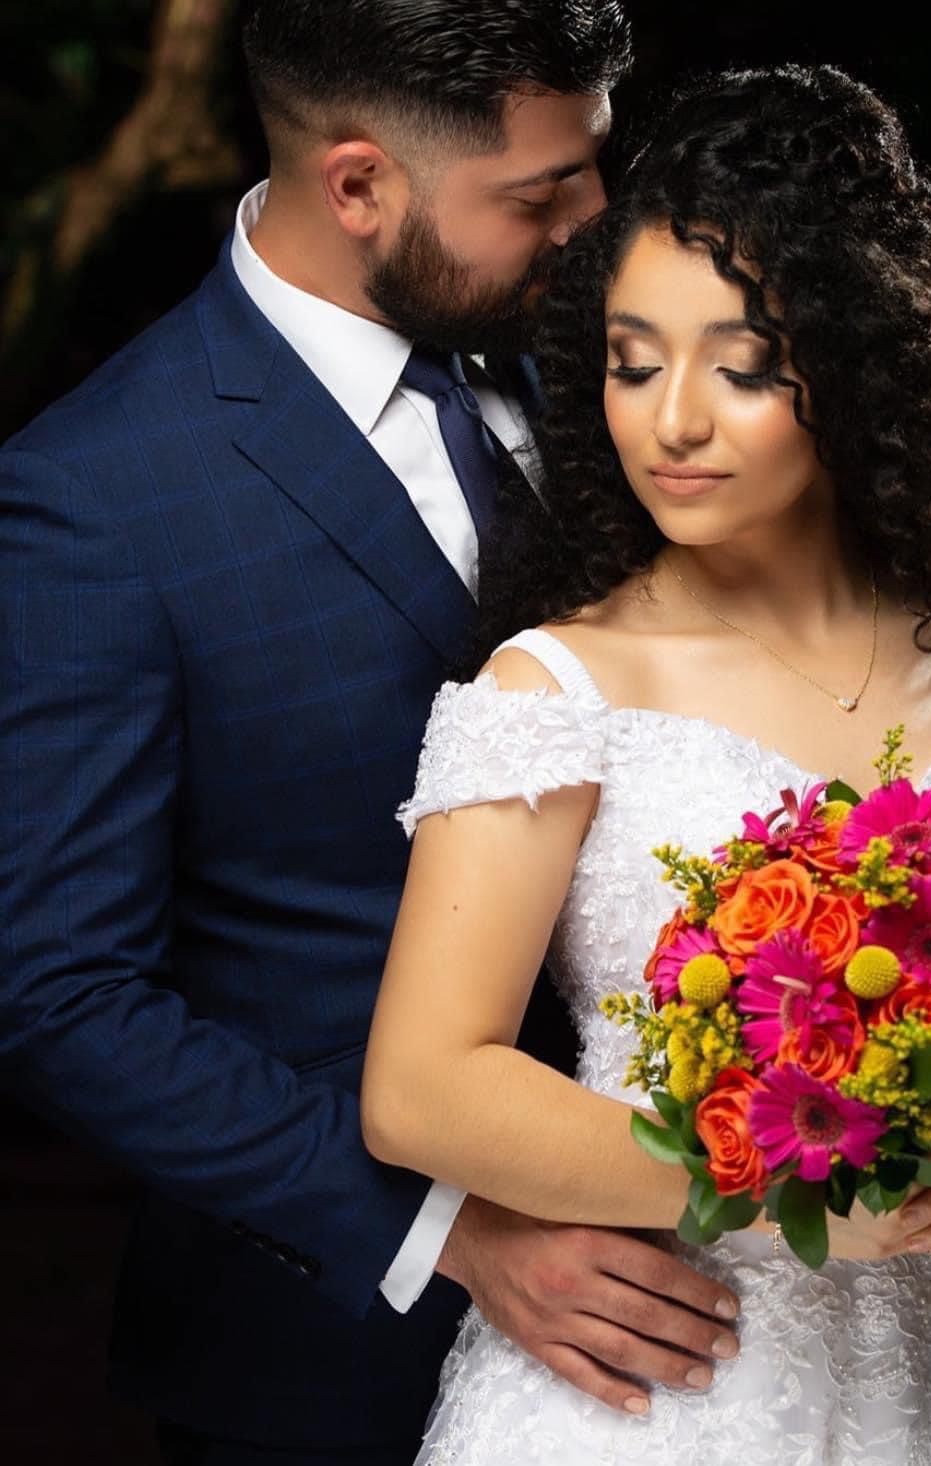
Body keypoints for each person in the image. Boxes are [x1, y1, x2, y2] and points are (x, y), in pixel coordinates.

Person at [360, 65, 931, 1463]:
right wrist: (769, 1170)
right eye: (630, 359)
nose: (670, 419)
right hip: (666, 1379)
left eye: (738, 366)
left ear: (858, 371)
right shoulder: (557, 685)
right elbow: (422, 1084)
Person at [0, 4, 750, 1462]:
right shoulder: (93, 498)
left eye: (593, 166)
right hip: (342, 1364)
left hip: (733, 1303)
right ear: (358, 186)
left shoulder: (623, 371)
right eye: (541, 196)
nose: (599, 225)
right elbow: (58, 989)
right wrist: (449, 1229)